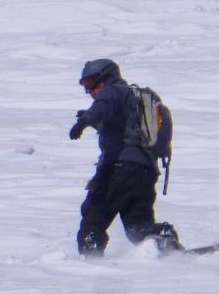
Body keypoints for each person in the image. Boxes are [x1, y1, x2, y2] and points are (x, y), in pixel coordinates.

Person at [68, 58, 182, 256]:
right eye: (85, 87)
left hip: (119, 170)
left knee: (94, 215)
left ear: (107, 77)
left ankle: (91, 261)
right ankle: (163, 240)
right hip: (144, 173)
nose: (89, 91)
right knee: (137, 228)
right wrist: (94, 120)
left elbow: (105, 103)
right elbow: (122, 126)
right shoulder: (130, 99)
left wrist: (86, 120)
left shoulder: (113, 91)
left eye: (91, 84)